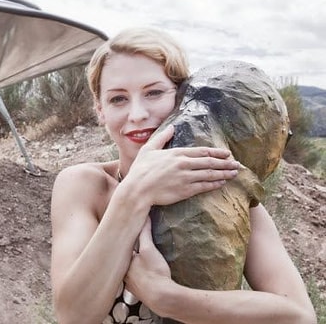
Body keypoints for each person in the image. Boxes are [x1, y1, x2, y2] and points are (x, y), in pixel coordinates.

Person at [50, 27, 317, 324]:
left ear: (182, 98)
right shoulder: (84, 186)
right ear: (100, 110)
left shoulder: (219, 184)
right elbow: (72, 316)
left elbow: (299, 316)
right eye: (118, 99)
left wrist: (166, 297)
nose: (137, 114)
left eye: (153, 93)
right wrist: (135, 193)